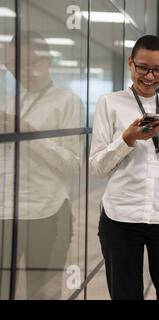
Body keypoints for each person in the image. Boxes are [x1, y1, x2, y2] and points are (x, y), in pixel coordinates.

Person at [89, 35, 159, 300]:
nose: (151, 76)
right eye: (143, 67)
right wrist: (127, 139)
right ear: (130, 64)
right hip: (122, 216)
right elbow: (97, 167)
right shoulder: (109, 103)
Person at [0, 31, 84, 298]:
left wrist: (29, 133)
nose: (19, 71)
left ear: (46, 61)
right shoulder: (9, 102)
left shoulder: (67, 102)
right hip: (4, 212)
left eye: (27, 62)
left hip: (46, 212)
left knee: (42, 294)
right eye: (12, 64)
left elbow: (74, 165)